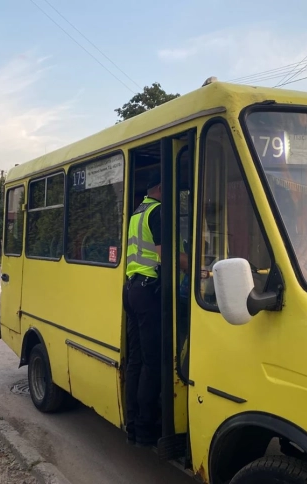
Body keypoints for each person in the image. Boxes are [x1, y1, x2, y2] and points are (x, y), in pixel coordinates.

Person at [122, 171, 187, 448]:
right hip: (148, 293)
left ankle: (133, 425)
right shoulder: (158, 212)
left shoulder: (138, 212)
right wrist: (197, 266)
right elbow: (166, 254)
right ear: (162, 187)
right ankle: (148, 429)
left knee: (136, 361)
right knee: (153, 362)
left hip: (131, 290)